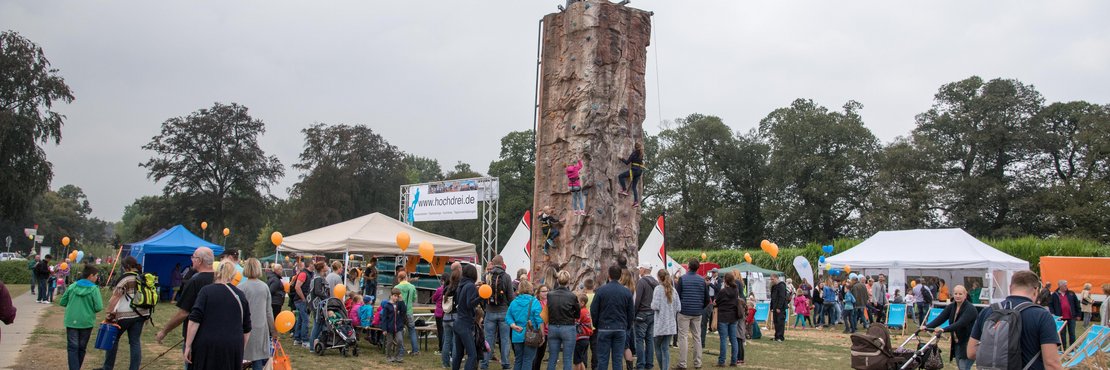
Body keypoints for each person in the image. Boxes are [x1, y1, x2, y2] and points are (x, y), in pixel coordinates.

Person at [968, 270, 1062, 370]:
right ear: (1036, 290)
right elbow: (1051, 363)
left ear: (1010, 287)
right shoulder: (1042, 315)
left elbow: (971, 352)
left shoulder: (988, 311)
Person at [184, 261, 252, 369]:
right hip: (232, 345)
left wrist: (188, 345)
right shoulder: (240, 295)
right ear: (234, 275)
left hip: (207, 345)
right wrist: (240, 349)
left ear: (217, 272)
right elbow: (247, 328)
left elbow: (194, 320)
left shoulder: (206, 291)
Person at [157, 246, 216, 370]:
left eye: (193, 257)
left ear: (199, 260)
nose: (191, 260)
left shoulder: (194, 282)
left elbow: (183, 313)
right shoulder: (219, 280)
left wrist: (164, 331)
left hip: (195, 337)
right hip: (215, 336)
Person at [99, 256, 149, 370]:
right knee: (135, 342)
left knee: (114, 339)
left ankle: (107, 367)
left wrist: (109, 312)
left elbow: (116, 296)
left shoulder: (125, 278)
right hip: (142, 314)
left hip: (125, 315)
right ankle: (134, 368)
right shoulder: (143, 277)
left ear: (126, 267)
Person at [925, 285, 978, 370]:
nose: (957, 296)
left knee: (964, 366)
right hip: (957, 343)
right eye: (956, 293)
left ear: (965, 295)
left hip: (969, 343)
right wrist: (927, 326)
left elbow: (960, 323)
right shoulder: (952, 306)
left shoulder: (970, 309)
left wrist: (944, 329)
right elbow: (941, 318)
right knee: (961, 366)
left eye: (960, 294)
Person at [60, 264, 102, 370]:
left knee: (72, 347)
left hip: (71, 320)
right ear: (91, 276)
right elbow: (98, 307)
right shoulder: (94, 289)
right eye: (96, 276)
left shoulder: (73, 286)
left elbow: (63, 301)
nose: (97, 278)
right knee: (81, 348)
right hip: (86, 322)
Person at [592, 265, 634, 370]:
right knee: (617, 360)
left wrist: (597, 324)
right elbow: (631, 312)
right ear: (620, 276)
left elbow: (593, 310)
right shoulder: (626, 292)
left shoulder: (601, 291)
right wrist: (627, 326)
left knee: (602, 359)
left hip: (604, 327)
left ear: (608, 275)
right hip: (620, 328)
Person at [239, 259, 277, 369]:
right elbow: (268, 311)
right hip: (260, 327)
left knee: (242, 356)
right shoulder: (264, 287)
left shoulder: (240, 288)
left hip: (244, 328)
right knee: (258, 358)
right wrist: (273, 330)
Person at [483, 255, 516, 370]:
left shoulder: (486, 276)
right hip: (504, 312)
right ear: (502, 263)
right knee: (505, 339)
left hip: (490, 311)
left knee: (488, 339)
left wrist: (485, 308)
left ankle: (484, 364)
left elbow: (482, 295)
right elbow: (511, 296)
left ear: (492, 263)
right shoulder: (506, 277)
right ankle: (506, 364)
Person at [674, 259, 707, 370]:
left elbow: (677, 296)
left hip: (684, 312)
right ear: (697, 268)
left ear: (688, 266)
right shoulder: (702, 280)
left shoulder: (682, 279)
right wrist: (700, 307)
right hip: (697, 312)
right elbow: (707, 298)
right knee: (697, 337)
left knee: (683, 337)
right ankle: (698, 363)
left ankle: (682, 363)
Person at [506, 280, 544, 370]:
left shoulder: (514, 302)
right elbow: (539, 320)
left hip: (517, 334)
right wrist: (542, 335)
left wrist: (513, 325)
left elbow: (508, 317)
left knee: (518, 359)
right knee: (528, 360)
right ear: (530, 288)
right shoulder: (535, 302)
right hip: (531, 335)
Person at [548, 270, 581, 370]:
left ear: (557, 280)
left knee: (552, 358)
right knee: (567, 358)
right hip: (568, 327)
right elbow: (577, 314)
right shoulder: (572, 296)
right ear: (568, 281)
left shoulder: (550, 295)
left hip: (553, 326)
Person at [454, 264, 482, 370]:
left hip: (458, 322)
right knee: (472, 355)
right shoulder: (470, 285)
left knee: (459, 354)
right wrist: (481, 297)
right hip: (465, 324)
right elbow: (469, 304)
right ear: (473, 274)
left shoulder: (461, 285)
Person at [650, 269, 680, 370]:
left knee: (658, 347)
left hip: (660, 324)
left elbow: (655, 306)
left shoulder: (658, 289)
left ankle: (663, 367)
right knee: (665, 348)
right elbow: (679, 307)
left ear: (658, 277)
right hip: (670, 324)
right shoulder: (674, 290)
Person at [632, 264, 658, 370]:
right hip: (652, 313)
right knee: (649, 340)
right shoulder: (656, 282)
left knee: (639, 340)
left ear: (643, 269)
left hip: (642, 314)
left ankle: (640, 365)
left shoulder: (641, 282)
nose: (639, 271)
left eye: (640, 269)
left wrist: (634, 313)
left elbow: (637, 299)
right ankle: (649, 364)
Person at [714, 272, 741, 367]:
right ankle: (734, 360)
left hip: (723, 317)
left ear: (725, 280)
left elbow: (716, 302)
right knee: (733, 339)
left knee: (723, 340)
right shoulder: (736, 290)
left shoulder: (723, 291)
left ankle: (722, 361)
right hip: (733, 317)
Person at [1048, 280, 1081, 349]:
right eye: (1064, 285)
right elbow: (1050, 304)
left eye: (1066, 285)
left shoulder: (1071, 293)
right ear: (1060, 286)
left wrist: (1078, 314)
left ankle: (1072, 348)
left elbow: (1077, 304)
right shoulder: (1054, 294)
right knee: (1062, 334)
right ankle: (1063, 348)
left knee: (1072, 333)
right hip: (1060, 318)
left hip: (1071, 317)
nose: (1066, 286)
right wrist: (1053, 313)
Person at [382, 288, 409, 363]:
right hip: (389, 328)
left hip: (398, 327)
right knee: (389, 342)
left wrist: (401, 301)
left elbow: (404, 311)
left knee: (400, 341)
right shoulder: (387, 305)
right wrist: (384, 329)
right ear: (391, 296)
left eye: (397, 296)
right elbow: (384, 318)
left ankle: (397, 356)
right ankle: (388, 356)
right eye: (395, 296)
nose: (396, 297)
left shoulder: (399, 304)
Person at [307, 262, 331, 349]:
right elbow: (317, 291)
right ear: (321, 268)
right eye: (326, 265)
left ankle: (316, 343)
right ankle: (312, 346)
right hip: (317, 305)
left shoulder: (319, 278)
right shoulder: (318, 279)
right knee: (317, 324)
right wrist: (327, 297)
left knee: (319, 324)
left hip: (318, 304)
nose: (327, 267)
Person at [289, 260, 312, 348]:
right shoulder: (304, 274)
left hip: (300, 299)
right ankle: (304, 340)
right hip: (300, 300)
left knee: (300, 320)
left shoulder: (307, 274)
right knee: (305, 320)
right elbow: (297, 287)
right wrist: (304, 299)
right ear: (310, 264)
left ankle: (297, 338)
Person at [396, 271, 419, 355]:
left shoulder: (397, 287)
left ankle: (401, 350)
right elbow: (413, 299)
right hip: (409, 311)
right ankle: (415, 350)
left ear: (399, 278)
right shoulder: (412, 287)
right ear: (406, 277)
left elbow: (395, 300)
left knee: (400, 331)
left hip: (400, 313)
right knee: (412, 330)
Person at [616, 142, 645, 207]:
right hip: (639, 171)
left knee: (620, 176)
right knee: (634, 187)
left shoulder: (634, 154)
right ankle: (636, 202)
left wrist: (621, 158)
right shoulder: (641, 154)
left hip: (634, 170)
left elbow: (627, 162)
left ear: (634, 147)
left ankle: (624, 190)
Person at [532, 284, 551, 370]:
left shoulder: (550, 302)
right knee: (536, 355)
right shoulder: (536, 302)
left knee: (541, 355)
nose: (545, 293)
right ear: (539, 293)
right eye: (543, 291)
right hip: (538, 331)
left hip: (547, 331)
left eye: (546, 291)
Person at [573, 293, 593, 370]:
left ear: (582, 303)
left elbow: (576, 323)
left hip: (581, 339)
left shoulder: (581, 312)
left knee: (576, 361)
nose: (576, 304)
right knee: (580, 359)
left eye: (577, 302)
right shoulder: (586, 311)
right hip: (586, 339)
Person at [769, 274, 788, 341]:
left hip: (780, 308)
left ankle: (780, 337)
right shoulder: (773, 286)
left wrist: (779, 307)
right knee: (776, 322)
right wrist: (771, 307)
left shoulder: (781, 286)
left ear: (776, 278)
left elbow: (782, 297)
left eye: (772, 279)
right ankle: (776, 336)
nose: (771, 281)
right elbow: (772, 297)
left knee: (780, 322)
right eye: (771, 279)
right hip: (774, 307)